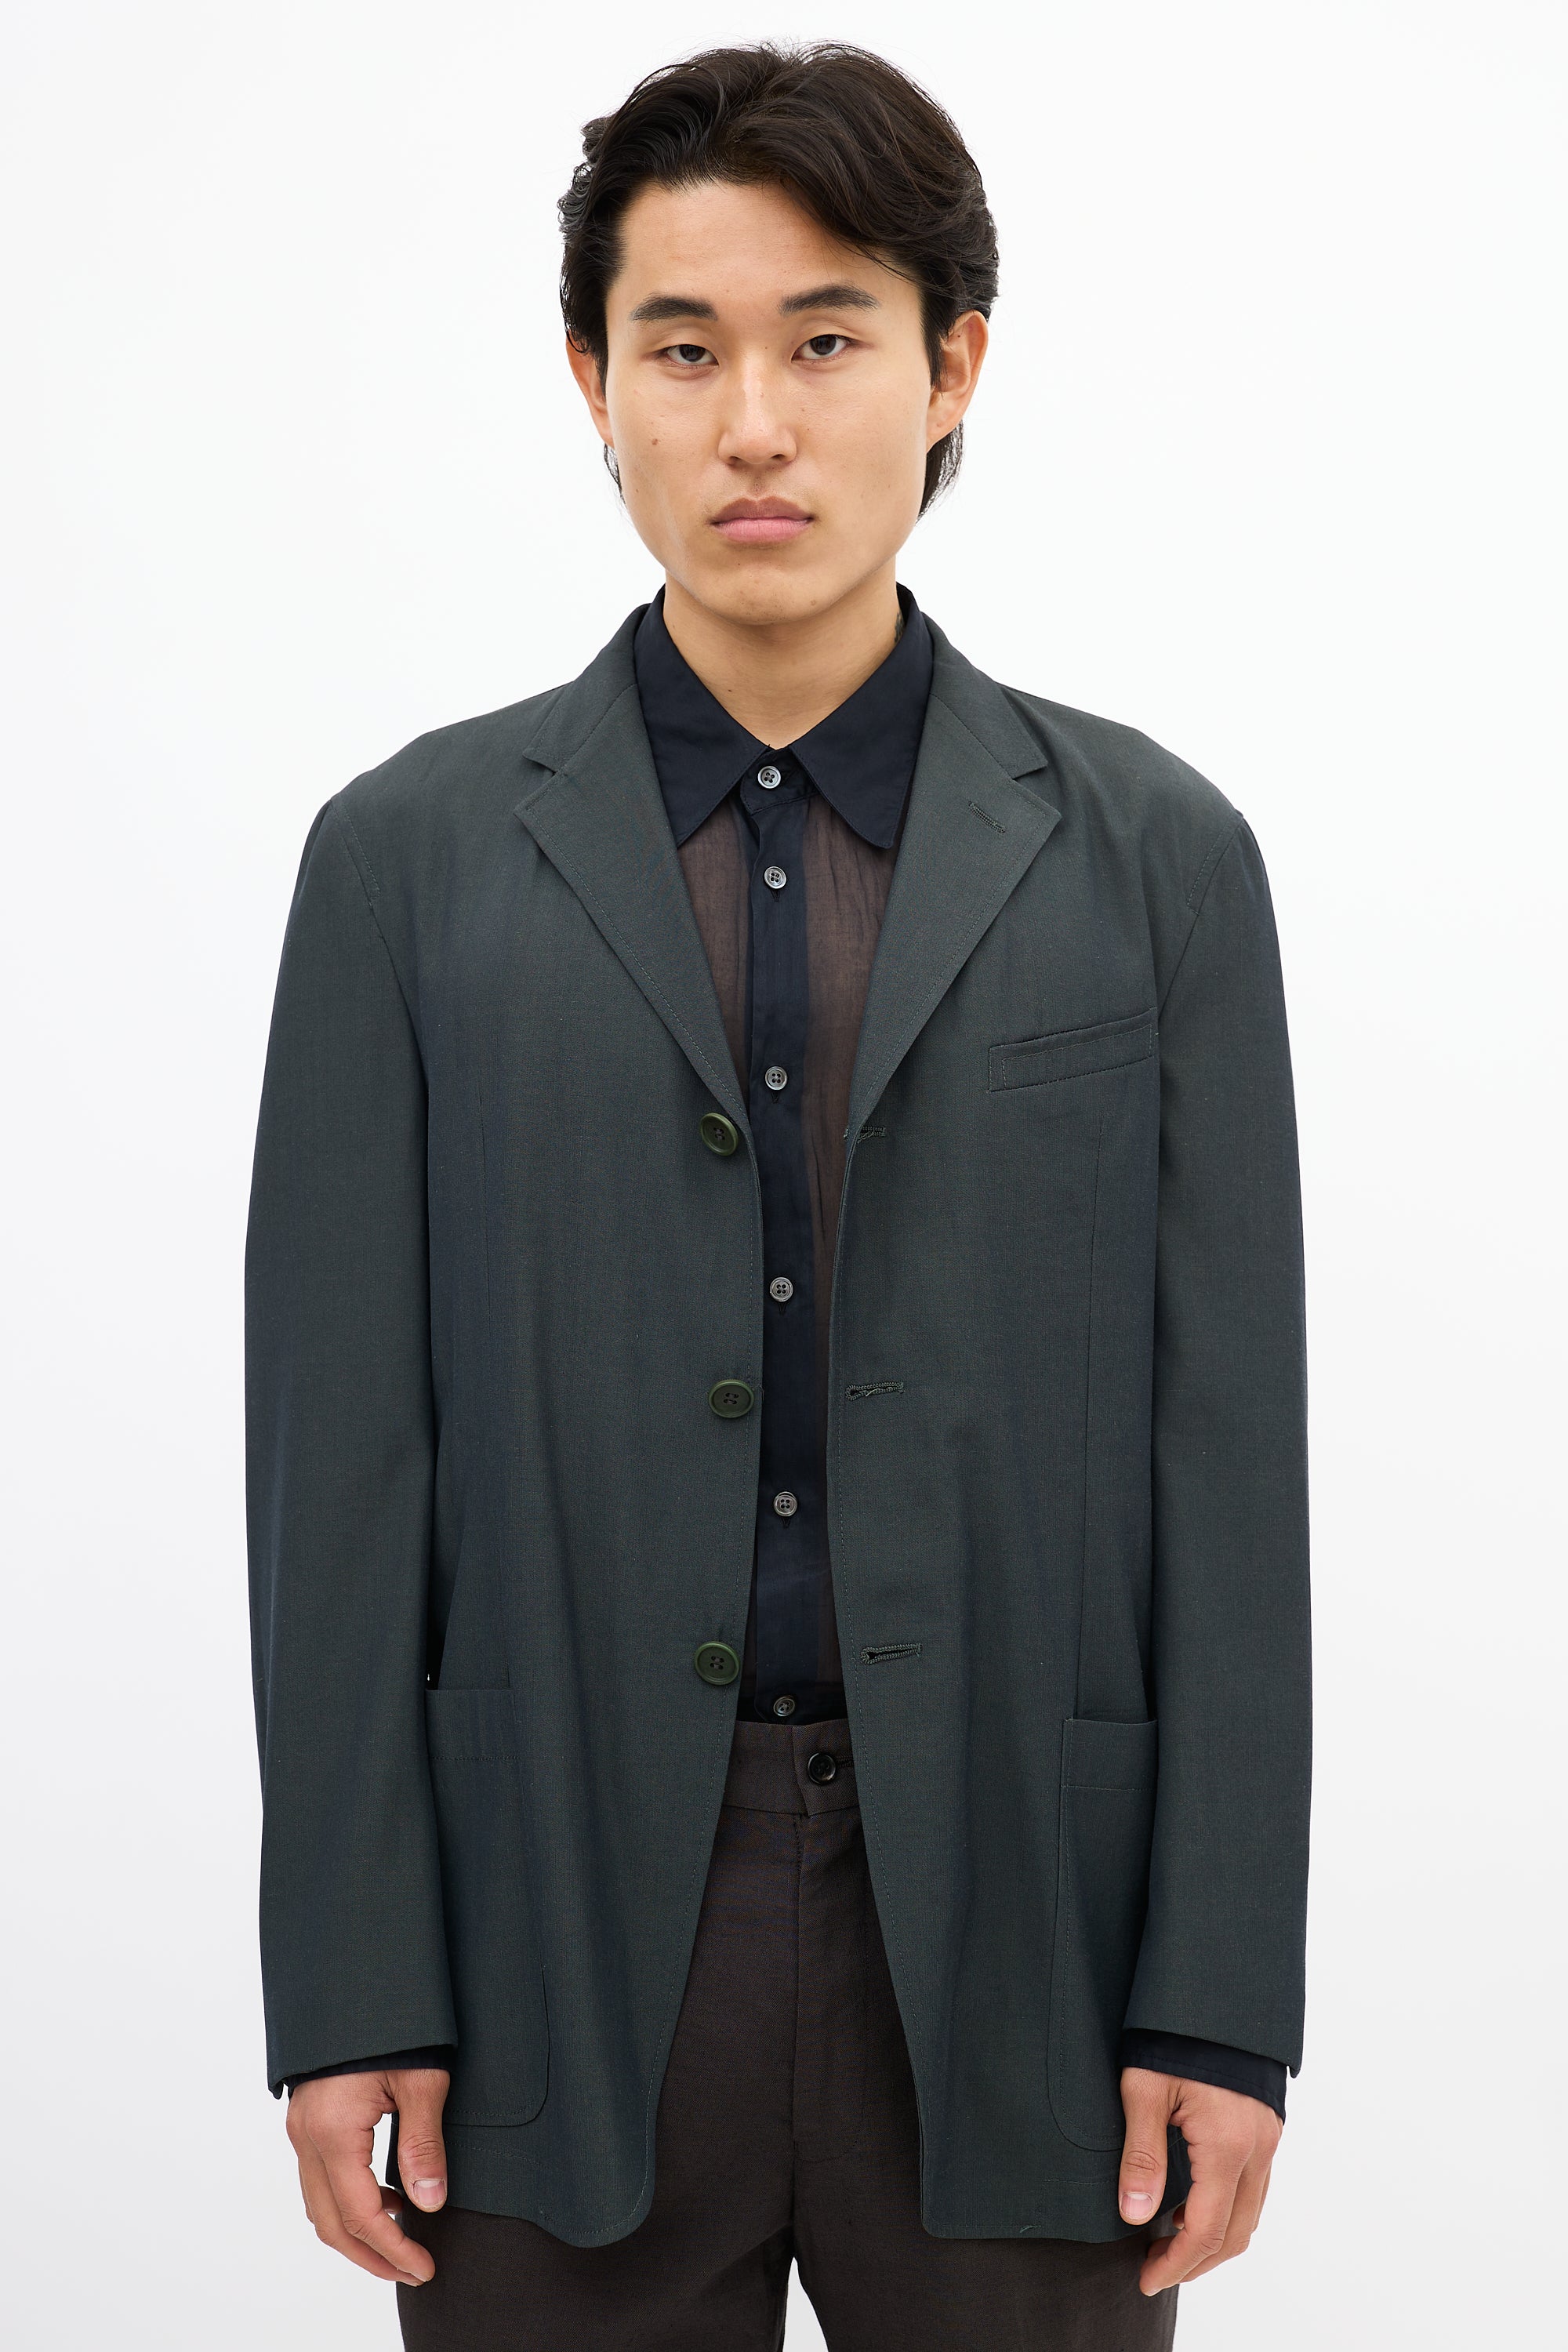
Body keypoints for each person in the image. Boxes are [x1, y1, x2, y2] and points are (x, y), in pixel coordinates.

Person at [247, 41, 1310, 2350]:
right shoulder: (406, 865)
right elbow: (339, 1474)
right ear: (591, 386)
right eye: (683, 349)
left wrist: (1223, 1995)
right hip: (549, 1932)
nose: (755, 426)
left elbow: (1227, 1462)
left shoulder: (1158, 862)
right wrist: (347, 1984)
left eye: (828, 341)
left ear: (952, 370)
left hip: (1029, 1933)